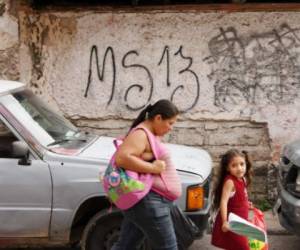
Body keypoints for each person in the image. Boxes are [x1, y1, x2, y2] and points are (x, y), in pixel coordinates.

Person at [112, 99, 181, 250]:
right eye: (170, 123)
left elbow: (137, 156)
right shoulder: (141, 134)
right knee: (169, 247)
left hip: (146, 201)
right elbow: (122, 158)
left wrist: (149, 159)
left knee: (125, 246)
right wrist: (153, 168)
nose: (171, 128)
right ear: (158, 118)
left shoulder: (148, 133)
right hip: (150, 203)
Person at [211, 149, 253, 250]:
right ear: (228, 168)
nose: (239, 168)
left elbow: (241, 195)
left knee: (235, 246)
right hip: (232, 222)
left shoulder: (242, 179)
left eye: (242, 164)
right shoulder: (230, 182)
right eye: (234, 165)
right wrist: (225, 221)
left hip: (242, 219)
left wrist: (247, 203)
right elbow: (224, 201)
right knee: (243, 247)